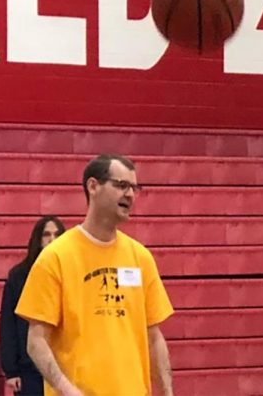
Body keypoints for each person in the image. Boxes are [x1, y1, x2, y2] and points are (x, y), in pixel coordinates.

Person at [15, 154, 174, 396]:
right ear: (93, 186)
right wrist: (67, 390)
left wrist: (167, 391)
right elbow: (36, 342)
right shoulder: (56, 257)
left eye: (134, 187)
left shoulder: (140, 258)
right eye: (121, 185)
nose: (130, 194)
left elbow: (154, 337)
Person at [0, 216, 66, 395]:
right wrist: (11, 371)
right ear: (38, 239)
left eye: (57, 235)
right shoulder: (18, 276)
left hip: (64, 369)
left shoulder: (72, 274)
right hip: (28, 370)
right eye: (46, 235)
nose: (52, 240)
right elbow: (8, 325)